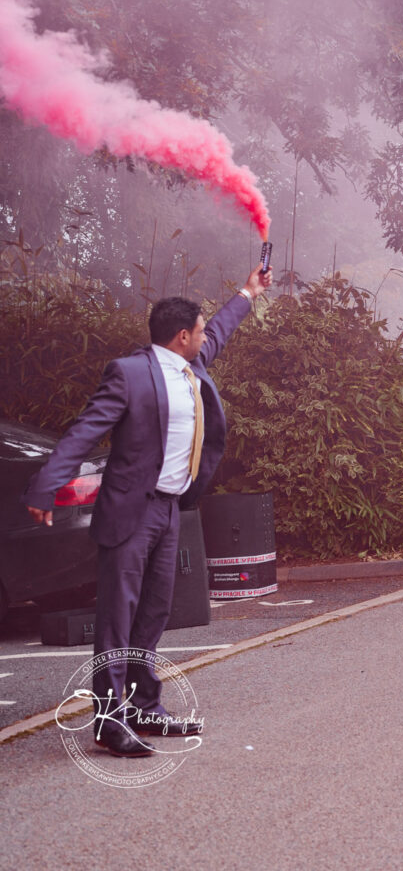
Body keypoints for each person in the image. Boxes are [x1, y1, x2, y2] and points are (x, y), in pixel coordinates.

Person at [23, 266, 273, 757]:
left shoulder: (191, 365)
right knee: (118, 616)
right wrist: (44, 488)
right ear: (182, 337)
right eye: (199, 330)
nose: (207, 336)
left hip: (169, 511)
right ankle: (108, 721)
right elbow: (84, 431)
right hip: (130, 514)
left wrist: (249, 291)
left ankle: (144, 708)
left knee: (155, 610)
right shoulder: (130, 373)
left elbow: (220, 328)